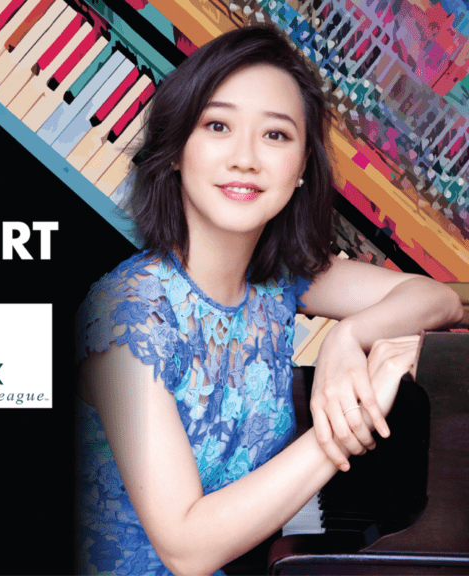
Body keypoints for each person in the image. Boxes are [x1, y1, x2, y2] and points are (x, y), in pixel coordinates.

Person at [74, 24, 463, 576]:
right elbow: (187, 548)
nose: (245, 158)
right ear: (177, 150)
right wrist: (344, 424)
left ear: (302, 167)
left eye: (276, 135)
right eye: (217, 125)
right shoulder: (127, 315)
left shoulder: (280, 278)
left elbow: (437, 298)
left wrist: (348, 339)